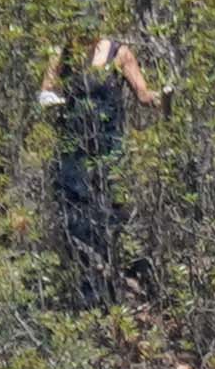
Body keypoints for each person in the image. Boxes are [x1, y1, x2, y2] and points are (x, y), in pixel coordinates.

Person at [38, 19, 165, 306]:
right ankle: (83, 295)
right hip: (73, 151)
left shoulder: (120, 54)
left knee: (106, 217)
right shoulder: (64, 54)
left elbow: (143, 94)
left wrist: (165, 99)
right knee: (75, 221)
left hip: (107, 150)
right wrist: (50, 101)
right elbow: (46, 91)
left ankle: (113, 291)